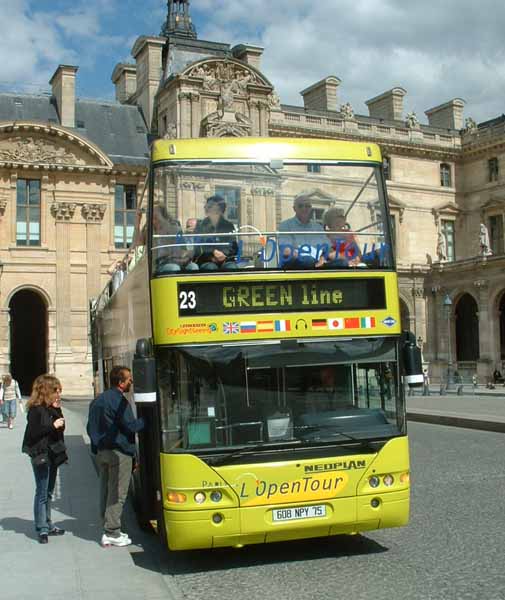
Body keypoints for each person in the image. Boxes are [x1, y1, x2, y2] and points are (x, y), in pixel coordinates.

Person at [86, 365, 145, 547]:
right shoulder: (120, 402)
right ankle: (112, 531)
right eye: (129, 379)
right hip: (119, 453)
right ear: (121, 382)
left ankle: (106, 525)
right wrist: (147, 419)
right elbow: (131, 427)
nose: (131, 382)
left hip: (101, 452)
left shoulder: (98, 400)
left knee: (105, 489)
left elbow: (90, 428)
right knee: (118, 493)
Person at [22, 374, 67, 544]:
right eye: (56, 391)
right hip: (41, 454)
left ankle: (48, 524)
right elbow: (35, 432)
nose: (59, 394)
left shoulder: (51, 408)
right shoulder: (35, 409)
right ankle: (41, 528)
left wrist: (58, 410)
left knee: (48, 491)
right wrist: (51, 425)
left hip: (53, 453)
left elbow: (61, 428)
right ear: (47, 391)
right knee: (41, 492)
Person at [278, 194, 329, 268]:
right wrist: (306, 257)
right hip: (293, 262)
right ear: (294, 208)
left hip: (316, 261)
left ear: (311, 208)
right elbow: (286, 250)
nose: (304, 208)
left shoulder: (318, 227)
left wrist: (322, 259)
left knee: (341, 263)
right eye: (300, 206)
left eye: (307, 206)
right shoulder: (285, 225)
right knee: (308, 260)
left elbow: (326, 248)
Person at [193, 195, 238, 270]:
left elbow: (233, 246)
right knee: (210, 268)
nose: (205, 208)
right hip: (206, 260)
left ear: (219, 208)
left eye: (209, 206)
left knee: (231, 267)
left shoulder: (228, 226)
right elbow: (198, 246)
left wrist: (224, 254)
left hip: (225, 260)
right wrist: (212, 253)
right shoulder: (200, 225)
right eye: (206, 206)